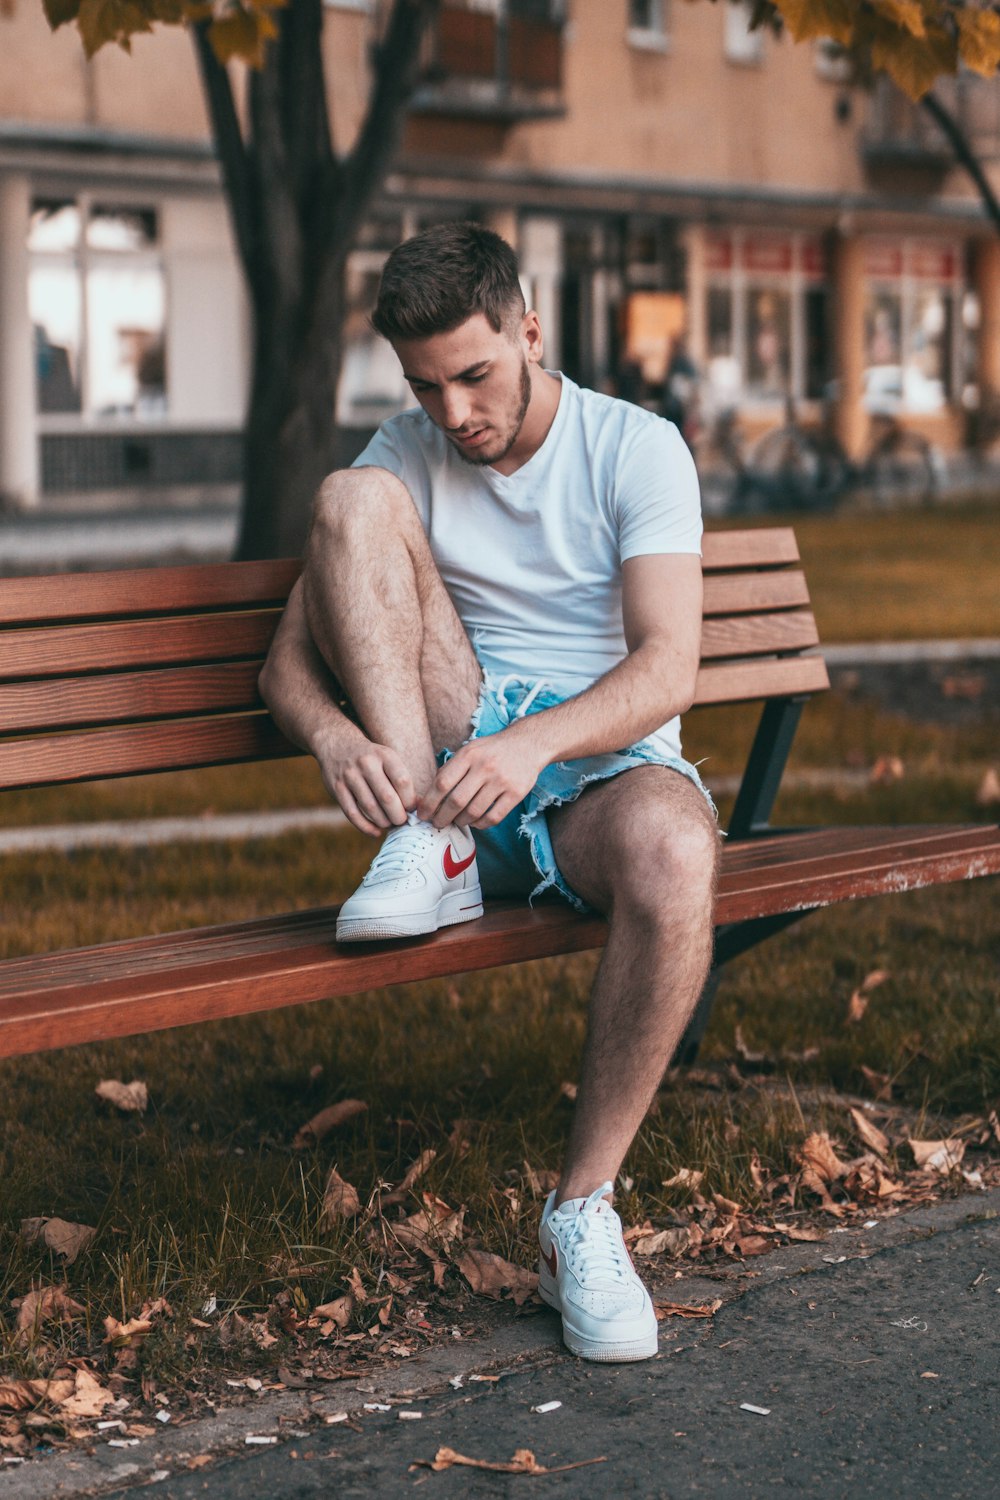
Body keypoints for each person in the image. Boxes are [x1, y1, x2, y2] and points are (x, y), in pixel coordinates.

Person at [258, 222, 719, 1364]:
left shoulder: (636, 447)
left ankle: (580, 1214)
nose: (454, 413)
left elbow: (667, 666)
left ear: (529, 330)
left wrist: (536, 749)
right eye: (426, 386)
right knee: (346, 499)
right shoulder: (406, 447)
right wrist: (328, 736)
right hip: (451, 775)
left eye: (475, 375)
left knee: (674, 853)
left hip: (595, 777)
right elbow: (283, 667)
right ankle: (434, 849)